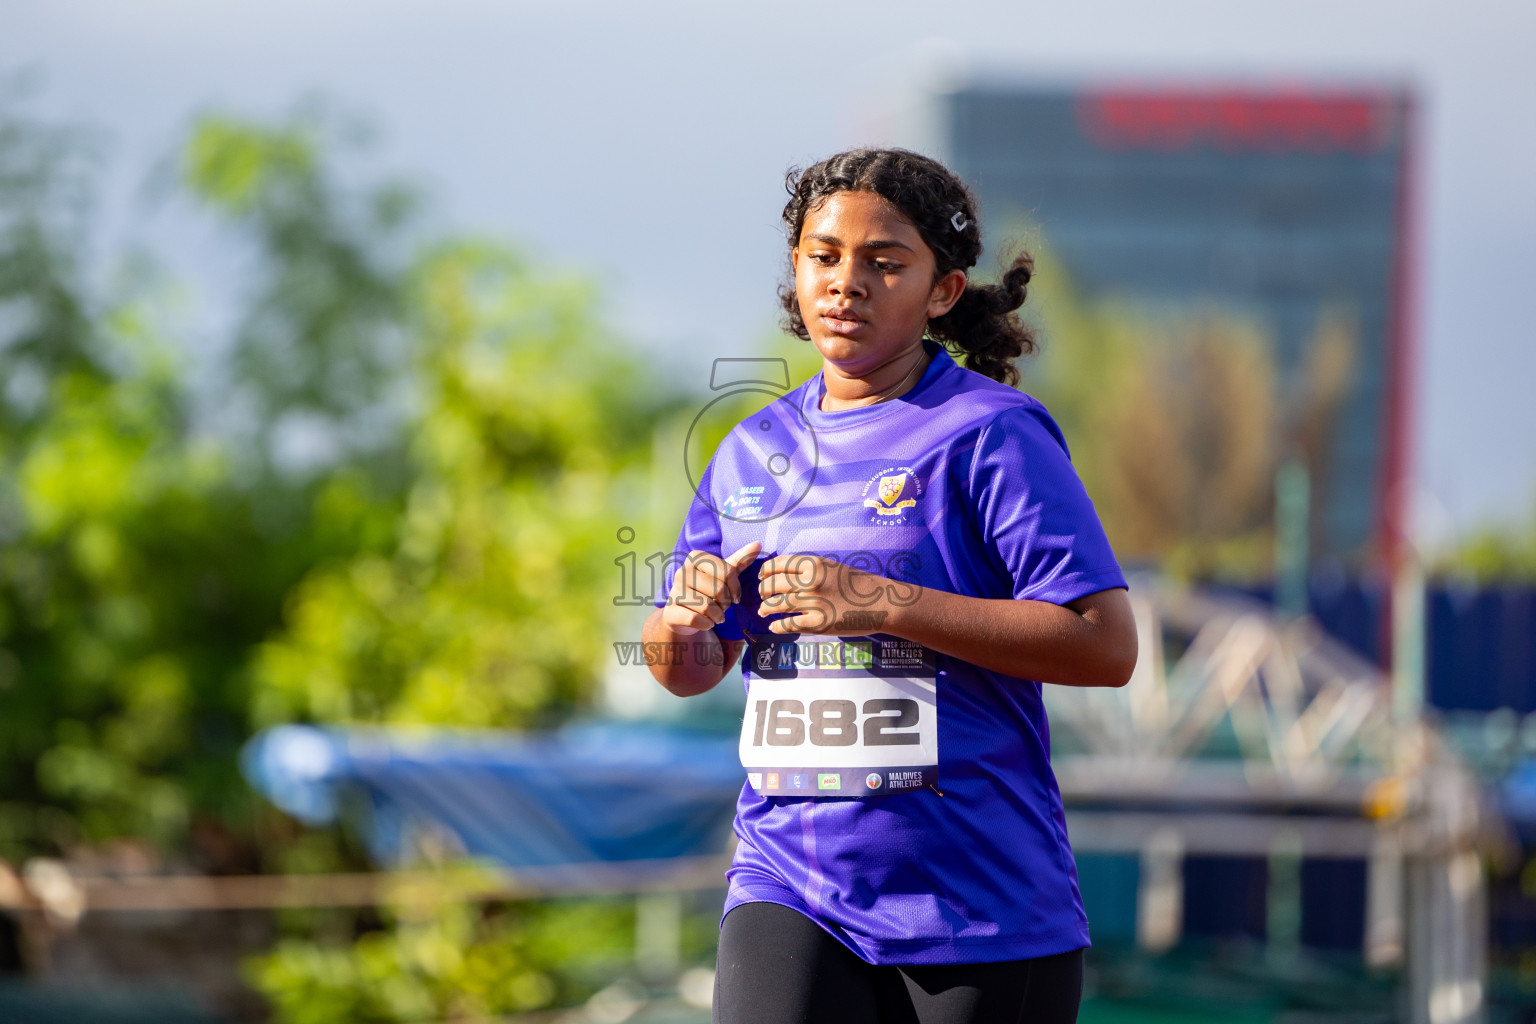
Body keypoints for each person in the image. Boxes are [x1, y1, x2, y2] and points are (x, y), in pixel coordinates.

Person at [641, 148, 1137, 1024]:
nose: (846, 283)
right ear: (795, 272)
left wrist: (876, 601)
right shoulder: (748, 451)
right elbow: (685, 665)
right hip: (786, 878)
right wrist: (681, 623)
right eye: (823, 256)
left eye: (884, 263)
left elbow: (1104, 644)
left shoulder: (992, 434)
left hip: (976, 904)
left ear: (942, 292)